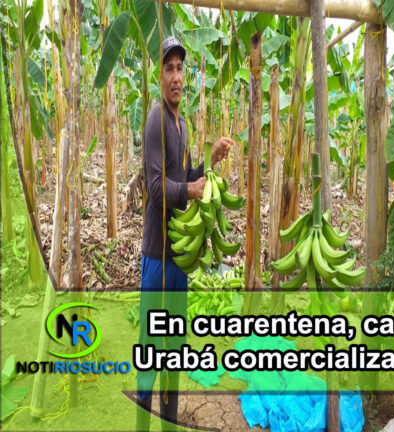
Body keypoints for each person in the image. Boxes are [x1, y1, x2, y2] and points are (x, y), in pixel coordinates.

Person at [137, 36, 233, 431]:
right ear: (159, 75)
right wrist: (190, 191)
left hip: (178, 255)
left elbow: (185, 178)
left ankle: (168, 423)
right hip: (158, 256)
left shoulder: (182, 122)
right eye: (169, 69)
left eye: (180, 69)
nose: (176, 76)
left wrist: (207, 165)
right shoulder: (158, 117)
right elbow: (156, 187)